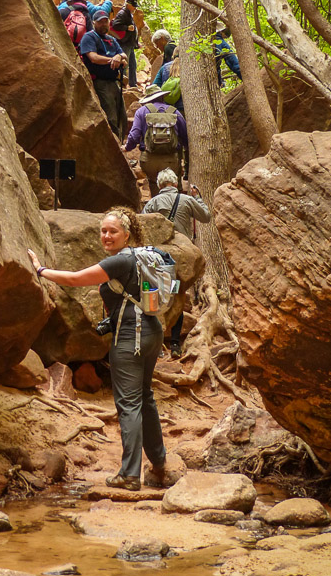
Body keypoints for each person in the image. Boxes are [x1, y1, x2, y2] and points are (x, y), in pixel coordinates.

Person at [28, 207, 167, 490]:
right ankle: (159, 462)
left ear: (126, 235)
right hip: (152, 332)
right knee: (145, 398)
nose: (106, 236)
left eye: (112, 231)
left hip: (132, 337)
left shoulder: (119, 261)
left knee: (129, 404)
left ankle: (129, 475)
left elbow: (76, 279)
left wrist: (40, 270)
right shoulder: (142, 256)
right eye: (103, 231)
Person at [143, 168, 211, 357]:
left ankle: (156, 345)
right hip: (182, 259)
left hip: (159, 257)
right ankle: (174, 344)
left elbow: (141, 222)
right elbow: (206, 216)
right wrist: (197, 198)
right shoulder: (187, 200)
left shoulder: (154, 202)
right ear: (175, 183)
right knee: (177, 296)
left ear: (159, 184)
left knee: (155, 296)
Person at [123, 85, 188, 196]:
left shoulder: (141, 112)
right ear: (162, 97)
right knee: (171, 187)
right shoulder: (175, 112)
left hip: (149, 160)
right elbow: (186, 138)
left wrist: (126, 147)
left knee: (154, 184)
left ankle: (157, 206)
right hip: (170, 159)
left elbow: (134, 136)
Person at [79, 10, 128, 139]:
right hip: (100, 82)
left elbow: (124, 55)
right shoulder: (89, 37)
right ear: (94, 22)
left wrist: (118, 56)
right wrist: (113, 60)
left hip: (113, 81)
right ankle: (114, 144)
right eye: (100, 22)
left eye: (105, 21)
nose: (103, 24)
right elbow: (93, 57)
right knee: (110, 116)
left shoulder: (111, 39)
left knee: (121, 115)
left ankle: (121, 143)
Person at [111, 0, 139, 88]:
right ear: (128, 5)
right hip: (124, 43)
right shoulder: (122, 13)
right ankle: (122, 84)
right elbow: (116, 25)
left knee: (133, 65)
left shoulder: (128, 13)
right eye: (133, 6)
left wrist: (136, 43)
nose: (135, 8)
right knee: (124, 64)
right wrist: (127, 28)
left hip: (129, 44)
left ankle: (133, 84)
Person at [214, 21, 242, 87]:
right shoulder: (220, 42)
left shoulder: (215, 40)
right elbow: (232, 61)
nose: (225, 38)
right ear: (221, 32)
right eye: (225, 36)